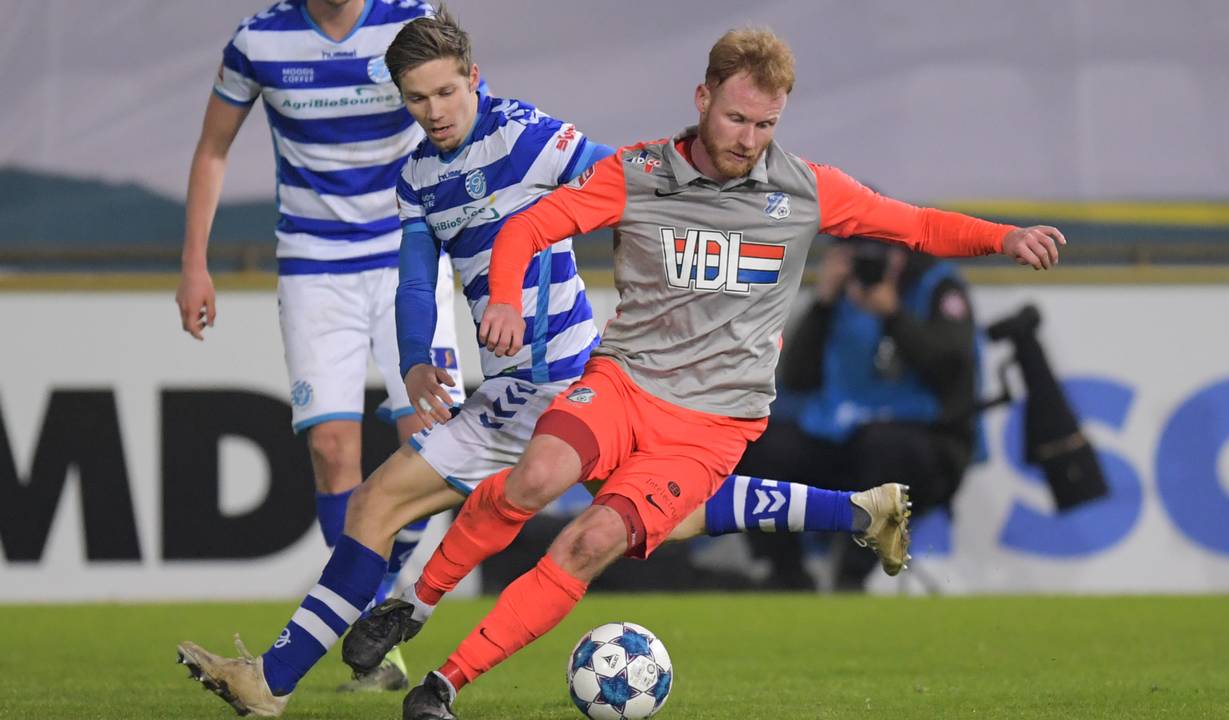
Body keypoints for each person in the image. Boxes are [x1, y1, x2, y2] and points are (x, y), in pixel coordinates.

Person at [176, 10, 905, 718]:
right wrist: (415, 361)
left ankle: (285, 675)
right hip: (509, 394)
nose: (434, 111)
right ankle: (858, 510)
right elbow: (414, 278)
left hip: (578, 382)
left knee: (640, 513)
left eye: (446, 92)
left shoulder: (528, 136)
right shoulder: (419, 176)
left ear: (474, 78)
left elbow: (639, 191)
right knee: (386, 506)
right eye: (418, 99)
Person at [395, 25, 1065, 720]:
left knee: (589, 541)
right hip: (624, 383)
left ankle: (442, 687)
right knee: (536, 476)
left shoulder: (806, 190)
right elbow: (528, 228)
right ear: (703, 97)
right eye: (736, 118)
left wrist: (1004, 236)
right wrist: (503, 296)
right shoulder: (639, 173)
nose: (749, 138)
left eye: (766, 124)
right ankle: (411, 603)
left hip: (711, 426)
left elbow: (917, 226)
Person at [173, 0, 467, 691]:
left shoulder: (411, 20)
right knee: (332, 450)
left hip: (410, 256)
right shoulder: (258, 41)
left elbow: (459, 117)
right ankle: (373, 642)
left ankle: (374, 606)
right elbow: (213, 149)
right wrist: (193, 263)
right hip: (314, 266)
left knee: (436, 445)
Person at [736, 237, 987, 590]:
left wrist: (893, 315)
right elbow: (797, 377)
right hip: (840, 435)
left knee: (885, 447)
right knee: (759, 446)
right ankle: (786, 575)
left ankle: (850, 578)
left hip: (921, 444)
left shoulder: (936, 285)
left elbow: (952, 371)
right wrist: (823, 302)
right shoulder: (841, 291)